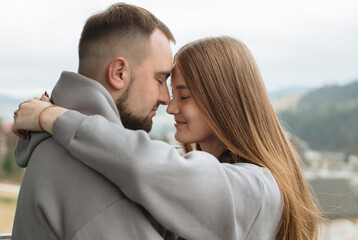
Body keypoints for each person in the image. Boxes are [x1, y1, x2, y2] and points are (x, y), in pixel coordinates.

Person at [13, 37, 321, 239]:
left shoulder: (257, 188)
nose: (170, 106)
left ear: (223, 99)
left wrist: (53, 118)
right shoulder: (207, 175)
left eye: (183, 95)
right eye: (170, 91)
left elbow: (143, 165)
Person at [11, 3, 177, 240]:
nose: (166, 98)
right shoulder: (94, 173)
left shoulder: (55, 145)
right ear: (119, 73)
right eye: (160, 80)